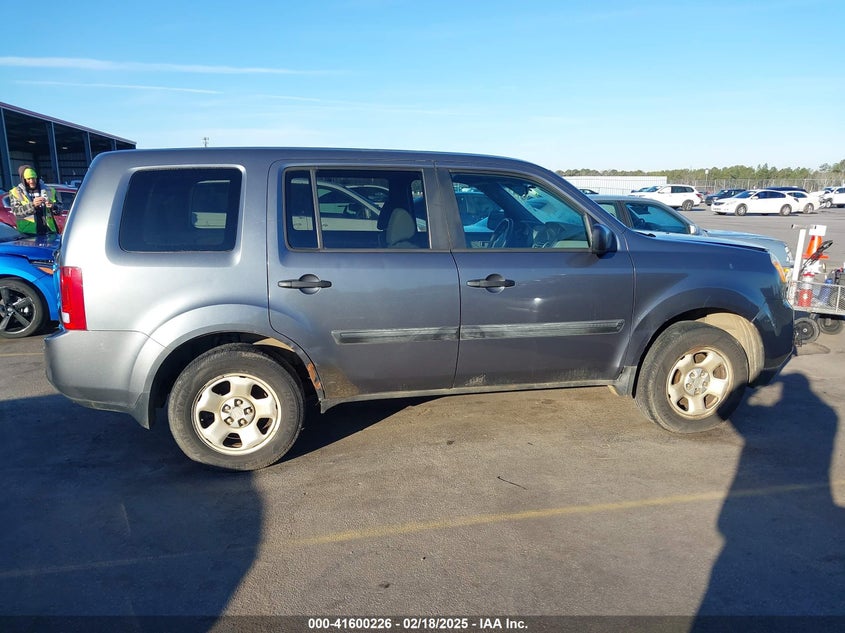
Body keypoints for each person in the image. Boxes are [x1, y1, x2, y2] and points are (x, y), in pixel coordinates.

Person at [7, 165, 60, 234]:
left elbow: (59, 209)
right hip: (28, 233)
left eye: (33, 178)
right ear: (23, 179)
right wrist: (32, 205)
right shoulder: (16, 192)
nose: (32, 181)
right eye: (28, 179)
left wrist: (53, 206)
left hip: (49, 231)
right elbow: (16, 212)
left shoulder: (49, 190)